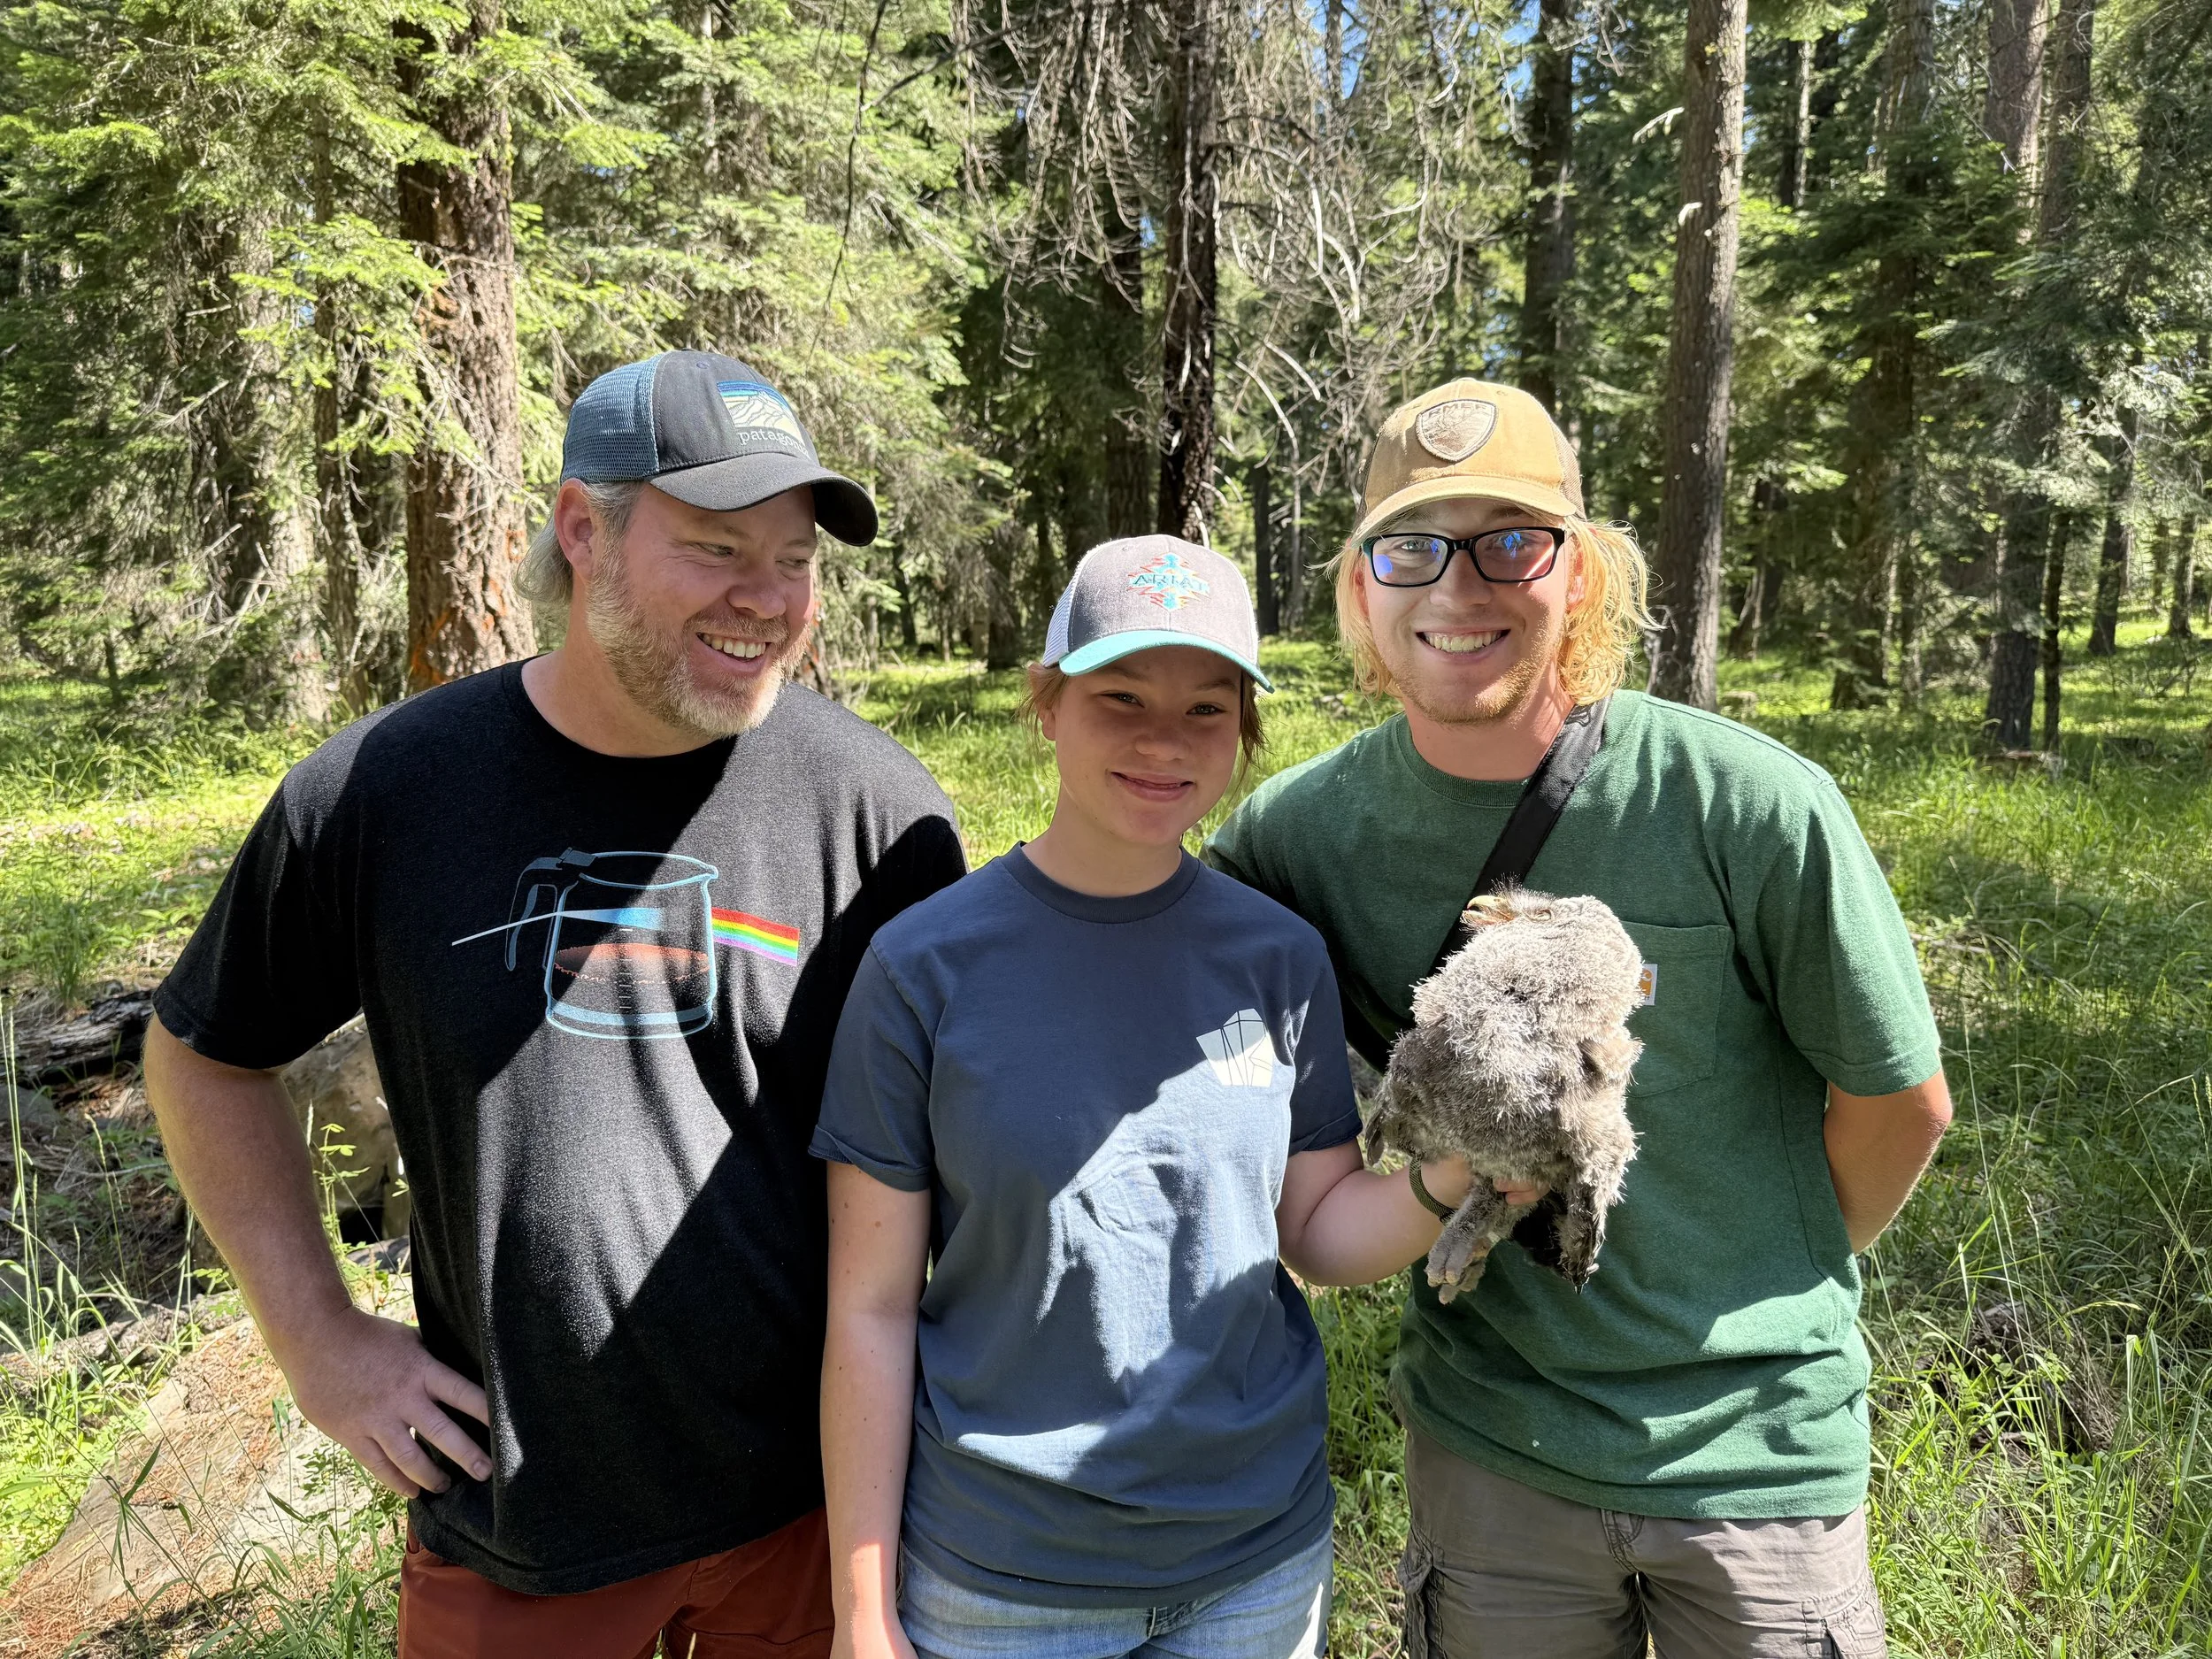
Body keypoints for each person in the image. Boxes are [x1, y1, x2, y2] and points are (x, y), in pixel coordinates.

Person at [143, 351, 966, 1659]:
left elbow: (946, 1155)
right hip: (518, 1523)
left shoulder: (880, 816)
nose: (767, 600)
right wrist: (319, 1340)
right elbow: (202, 1054)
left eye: (795, 559)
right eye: (717, 549)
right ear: (584, 529)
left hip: (815, 1512)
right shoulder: (386, 793)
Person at [1204, 380, 1954, 1659]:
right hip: (1493, 1454)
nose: (1460, 587)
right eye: (1411, 547)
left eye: (1512, 541)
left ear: (1583, 574)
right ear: (1360, 591)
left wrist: (1753, 1289)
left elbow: (1900, 1104)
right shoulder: (1297, 837)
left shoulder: (1745, 804)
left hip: (1757, 1461)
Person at [813, 536, 1536, 1659]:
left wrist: (1457, 1176)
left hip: (1255, 1566)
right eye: (1121, 696)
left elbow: (1315, 1231)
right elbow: (870, 1309)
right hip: (1003, 1575)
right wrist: (861, 1611)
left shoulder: (1278, 956)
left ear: (1242, 730)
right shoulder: (923, 967)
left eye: (1207, 707)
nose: (1165, 738)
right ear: (1046, 705)